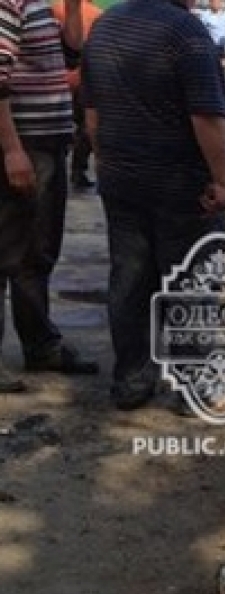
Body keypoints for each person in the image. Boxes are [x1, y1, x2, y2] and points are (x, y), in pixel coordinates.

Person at [82, 0, 225, 410]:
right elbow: (207, 116)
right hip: (181, 188)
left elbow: (92, 115)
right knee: (189, 285)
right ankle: (194, 388)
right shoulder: (186, 32)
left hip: (122, 182)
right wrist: (221, 179)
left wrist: (107, 161)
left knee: (130, 282)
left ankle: (132, 382)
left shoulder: (104, 28)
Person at [0, 0, 97, 393]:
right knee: (5, 254)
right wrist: (11, 151)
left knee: (37, 253)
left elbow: (71, 53)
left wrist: (72, 6)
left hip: (48, 144)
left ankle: (41, 345)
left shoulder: (42, 4)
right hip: (24, 145)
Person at [53, 0, 102, 190]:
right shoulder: (96, 14)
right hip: (82, 76)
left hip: (59, 77)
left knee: (64, 125)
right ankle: (77, 171)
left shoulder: (55, 8)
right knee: (85, 126)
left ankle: (63, 164)